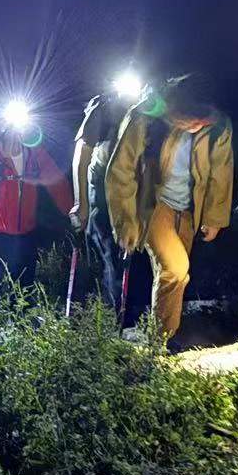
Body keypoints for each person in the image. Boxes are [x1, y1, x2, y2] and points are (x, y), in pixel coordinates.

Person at [103, 76, 233, 341]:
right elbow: (120, 172)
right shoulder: (145, 117)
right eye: (190, 121)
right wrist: (125, 222)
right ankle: (160, 341)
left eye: (201, 122)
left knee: (176, 277)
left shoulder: (217, 127)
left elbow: (221, 172)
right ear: (176, 109)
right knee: (175, 269)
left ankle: (160, 340)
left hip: (188, 208)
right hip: (153, 203)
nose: (196, 126)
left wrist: (214, 217)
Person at [71, 75, 147, 314]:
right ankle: (118, 320)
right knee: (113, 255)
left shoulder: (147, 109)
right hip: (102, 195)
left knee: (139, 257)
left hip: (135, 192)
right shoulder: (103, 108)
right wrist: (81, 203)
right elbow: (81, 159)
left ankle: (136, 316)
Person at [0, 116, 75, 289]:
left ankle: (22, 316)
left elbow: (56, 183)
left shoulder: (35, 153)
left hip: (26, 233)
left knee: (24, 287)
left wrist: (72, 211)